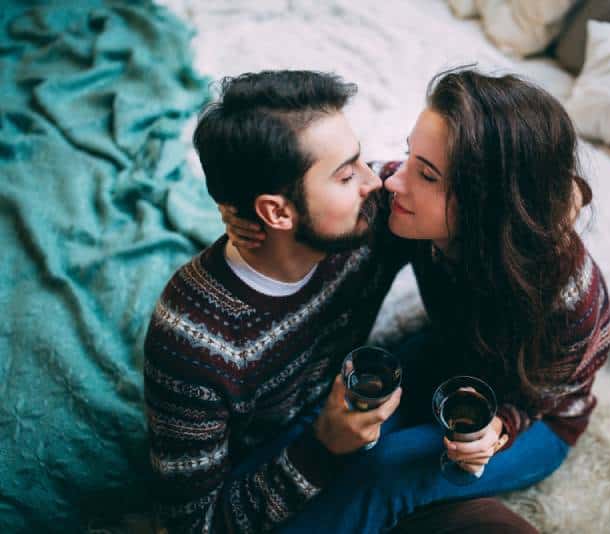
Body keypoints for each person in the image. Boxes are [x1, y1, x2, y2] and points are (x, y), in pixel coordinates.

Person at [143, 69, 537, 534]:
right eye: (348, 173)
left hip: (353, 407)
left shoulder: (369, 223)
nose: (378, 183)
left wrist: (553, 196)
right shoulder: (193, 347)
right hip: (273, 461)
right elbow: (193, 526)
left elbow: (465, 197)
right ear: (276, 211)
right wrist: (322, 446)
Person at [222, 68, 610, 533]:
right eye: (411, 156)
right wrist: (255, 213)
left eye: (426, 174)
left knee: (389, 470)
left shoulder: (569, 299)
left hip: (538, 418)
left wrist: (497, 429)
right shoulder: (407, 206)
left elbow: (539, 400)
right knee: (339, 413)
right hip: (445, 354)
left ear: (487, 203)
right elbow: (333, 209)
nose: (394, 182)